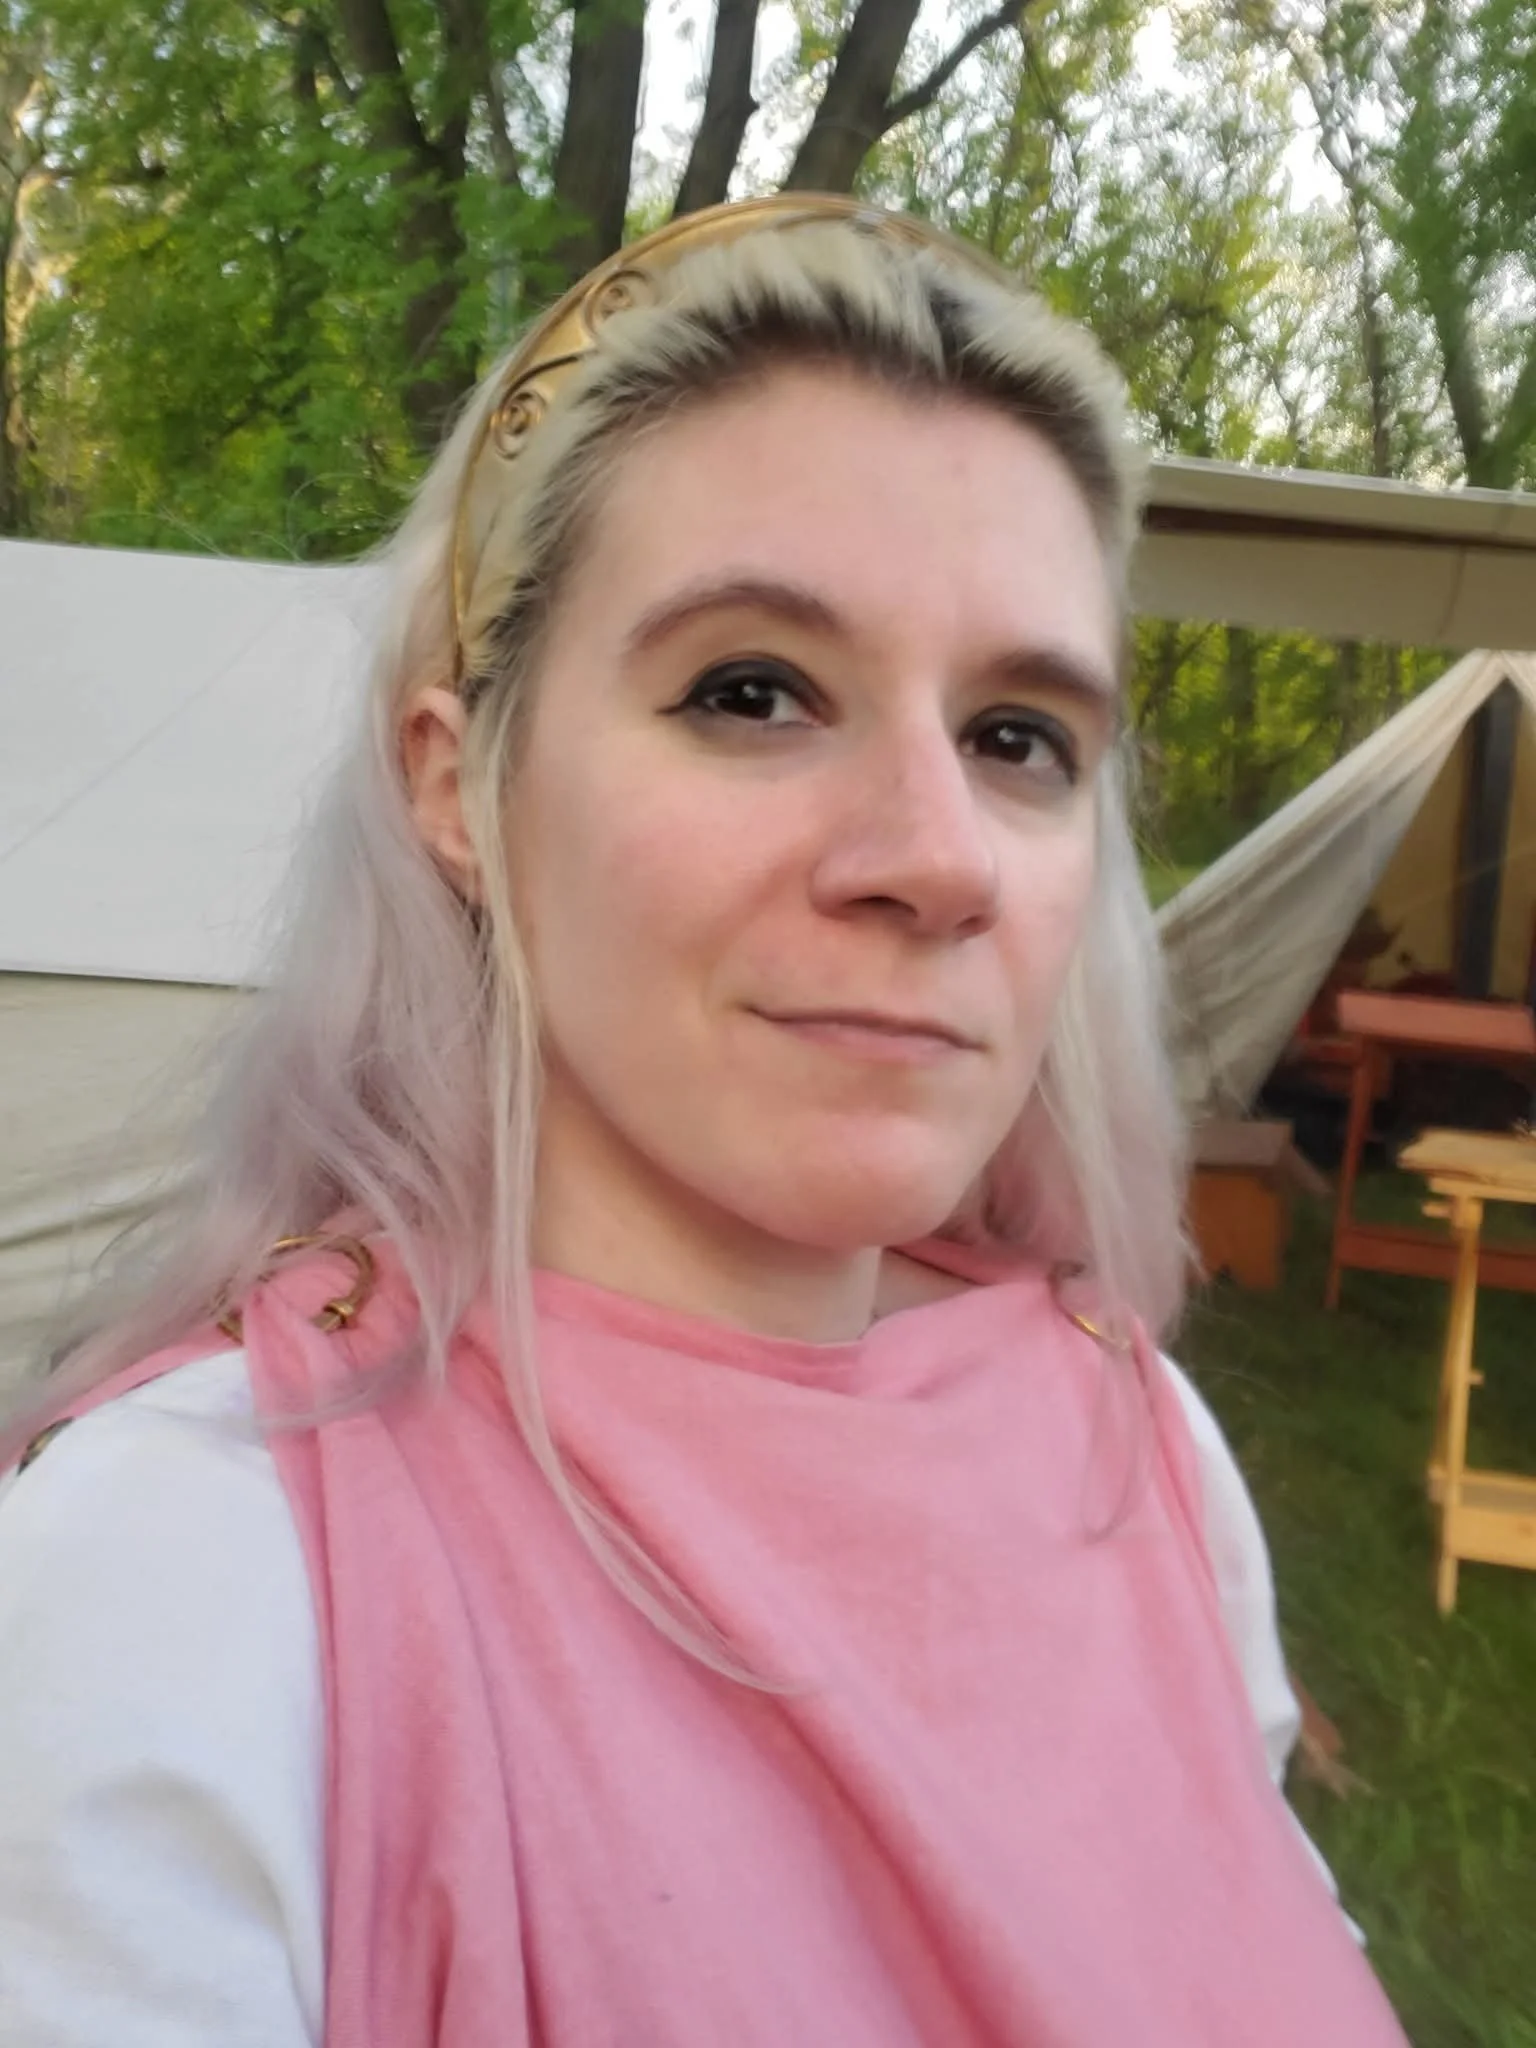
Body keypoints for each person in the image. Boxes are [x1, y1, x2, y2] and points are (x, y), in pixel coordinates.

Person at [0, 195, 1407, 2047]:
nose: (935, 859)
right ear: (459, 788)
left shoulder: (1130, 1445)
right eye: (753, 691)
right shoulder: (186, 1581)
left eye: (1018, 737)